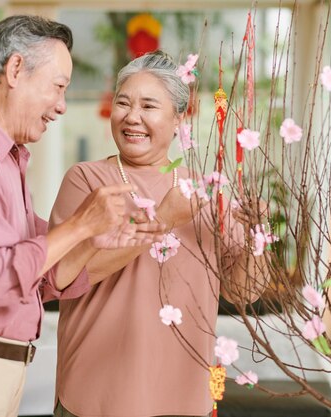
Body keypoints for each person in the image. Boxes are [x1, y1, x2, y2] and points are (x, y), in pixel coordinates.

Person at [0, 15, 163, 417]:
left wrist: (90, 241)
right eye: (58, 87)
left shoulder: (5, 161)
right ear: (15, 70)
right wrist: (79, 225)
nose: (61, 106)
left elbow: (42, 277)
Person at [49, 50, 267, 417]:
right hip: (95, 395)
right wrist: (162, 221)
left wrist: (257, 238)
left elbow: (243, 292)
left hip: (184, 398)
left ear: (178, 118)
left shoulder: (204, 191)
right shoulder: (87, 180)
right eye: (123, 103)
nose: (132, 117)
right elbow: (64, 276)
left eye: (148, 106)